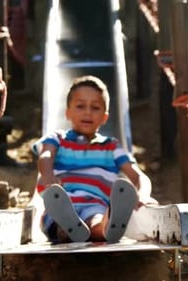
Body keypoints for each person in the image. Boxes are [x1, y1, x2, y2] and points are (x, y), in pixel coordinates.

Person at [32, 75, 154, 243]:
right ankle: (66, 228)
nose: (88, 112)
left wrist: (143, 195)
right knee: (59, 219)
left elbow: (138, 176)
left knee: (96, 221)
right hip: (61, 202)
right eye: (80, 106)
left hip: (95, 204)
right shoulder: (57, 138)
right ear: (67, 112)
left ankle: (108, 226)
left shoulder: (111, 147)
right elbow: (46, 155)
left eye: (95, 107)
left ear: (105, 117)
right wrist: (47, 176)